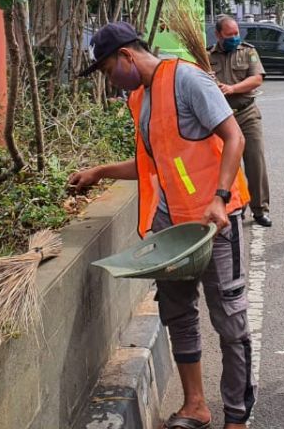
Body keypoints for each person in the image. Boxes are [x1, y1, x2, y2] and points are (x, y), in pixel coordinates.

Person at [68, 22, 254, 429]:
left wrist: (220, 199)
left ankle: (237, 417)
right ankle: (195, 406)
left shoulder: (186, 79)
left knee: (230, 319)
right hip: (173, 229)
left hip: (215, 224)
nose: (107, 80)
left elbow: (234, 137)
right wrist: (100, 171)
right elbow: (153, 164)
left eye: (106, 70)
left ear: (127, 57)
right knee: (178, 313)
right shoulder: (141, 96)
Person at [210, 15, 272, 227]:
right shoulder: (207, 55)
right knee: (228, 165)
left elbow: (256, 79)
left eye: (237, 33)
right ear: (218, 35)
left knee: (255, 161)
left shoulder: (248, 51)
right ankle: (236, 206)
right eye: (229, 35)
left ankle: (260, 209)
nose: (235, 38)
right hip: (222, 117)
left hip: (247, 114)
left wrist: (232, 88)